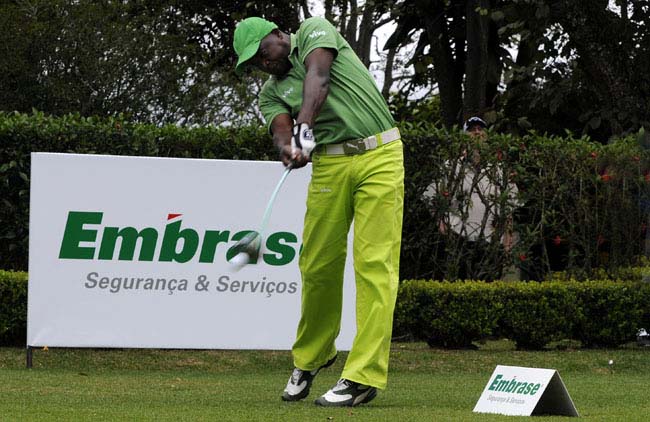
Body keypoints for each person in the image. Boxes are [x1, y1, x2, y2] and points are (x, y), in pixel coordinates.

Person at [233, 16, 404, 407]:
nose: (264, 64)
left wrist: (305, 125)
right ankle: (311, 358)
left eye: (263, 53)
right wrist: (289, 147)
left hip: (380, 155)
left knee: (375, 265)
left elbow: (319, 77)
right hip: (330, 163)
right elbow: (280, 127)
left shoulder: (314, 32)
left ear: (278, 35)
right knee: (316, 264)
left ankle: (362, 376)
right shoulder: (271, 93)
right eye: (254, 64)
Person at [423, 116, 520, 280]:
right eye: (472, 129)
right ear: (463, 136)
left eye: (480, 129)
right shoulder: (451, 166)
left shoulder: (498, 169)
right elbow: (430, 197)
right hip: (459, 241)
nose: (477, 132)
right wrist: (441, 222)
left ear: (486, 136)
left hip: (491, 242)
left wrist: (507, 239)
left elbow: (508, 207)